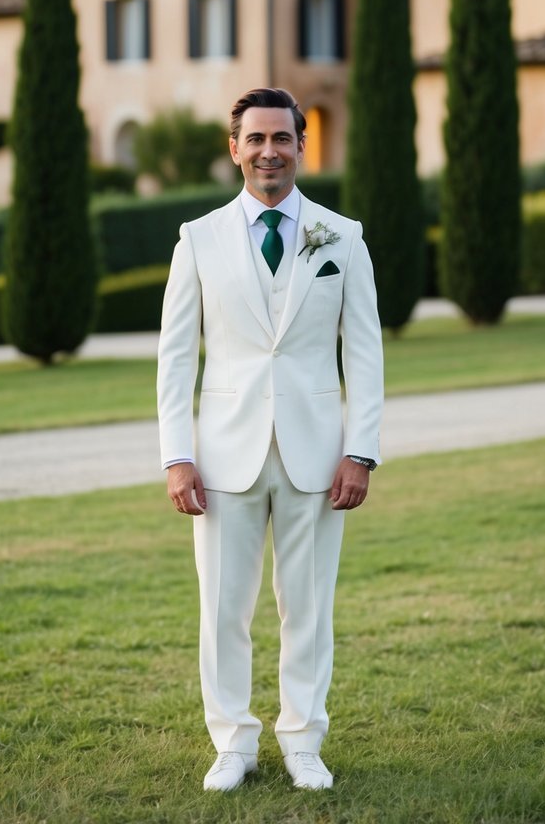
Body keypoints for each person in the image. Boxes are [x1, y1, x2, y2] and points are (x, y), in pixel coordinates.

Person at [157, 87, 383, 792]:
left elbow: (366, 353)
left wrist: (361, 448)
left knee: (307, 607)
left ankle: (302, 739)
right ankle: (231, 743)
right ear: (234, 149)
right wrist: (176, 454)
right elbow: (175, 357)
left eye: (280, 138)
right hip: (223, 455)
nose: (268, 152)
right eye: (253, 139)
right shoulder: (198, 239)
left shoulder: (341, 236)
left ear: (300, 146)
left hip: (317, 455)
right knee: (222, 608)